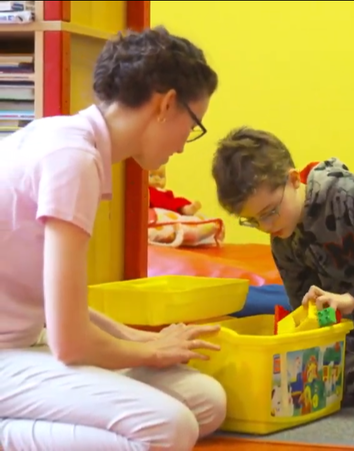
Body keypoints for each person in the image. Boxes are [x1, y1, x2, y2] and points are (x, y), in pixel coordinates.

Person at [0, 26, 226, 451]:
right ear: (167, 104)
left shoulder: (74, 141)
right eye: (193, 125)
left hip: (24, 343)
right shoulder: (73, 159)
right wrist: (152, 353)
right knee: (171, 427)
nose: (183, 145)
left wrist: (142, 338)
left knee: (205, 401)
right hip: (10, 354)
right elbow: (71, 342)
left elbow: (57, 306)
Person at [211, 127, 354, 410]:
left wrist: (352, 298)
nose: (266, 226)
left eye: (270, 212)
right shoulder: (282, 240)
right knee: (318, 384)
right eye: (253, 221)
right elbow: (306, 310)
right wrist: (315, 315)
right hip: (351, 319)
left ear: (294, 180)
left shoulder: (344, 193)